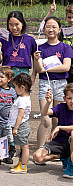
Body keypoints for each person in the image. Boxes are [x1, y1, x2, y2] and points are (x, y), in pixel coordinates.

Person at [34, 16, 73, 148]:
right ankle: (40, 149)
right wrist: (38, 60)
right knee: (46, 119)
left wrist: (46, 68)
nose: (51, 29)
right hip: (46, 84)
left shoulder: (65, 47)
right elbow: (39, 70)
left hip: (62, 84)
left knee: (57, 119)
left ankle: (53, 147)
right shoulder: (40, 48)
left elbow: (65, 67)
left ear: (59, 29)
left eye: (54, 27)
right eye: (48, 27)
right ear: (44, 29)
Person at [32, 85, 73, 178]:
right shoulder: (61, 107)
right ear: (64, 99)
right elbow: (44, 113)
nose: (72, 101)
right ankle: (62, 157)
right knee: (37, 157)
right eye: (69, 98)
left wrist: (59, 127)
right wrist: (48, 102)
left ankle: (71, 164)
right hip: (60, 142)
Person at [1, 11, 36, 79]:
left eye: (17, 24)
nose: (14, 28)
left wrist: (33, 75)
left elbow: (35, 59)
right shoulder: (3, 39)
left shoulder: (30, 40)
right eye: (11, 25)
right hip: (7, 73)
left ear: (22, 24)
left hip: (24, 73)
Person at [8, 73, 32, 174]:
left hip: (21, 126)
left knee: (24, 146)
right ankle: (21, 163)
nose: (14, 89)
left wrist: (16, 128)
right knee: (21, 146)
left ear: (22, 87)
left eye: (15, 87)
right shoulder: (23, 98)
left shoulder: (22, 100)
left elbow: (20, 116)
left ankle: (23, 166)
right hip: (20, 126)